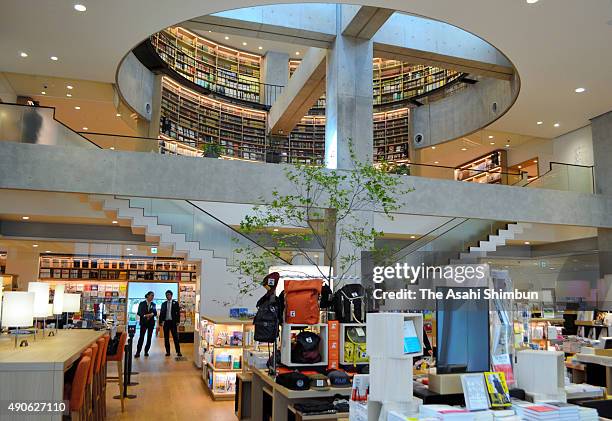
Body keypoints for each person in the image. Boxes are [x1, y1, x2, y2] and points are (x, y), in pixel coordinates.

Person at [159, 290, 182, 357]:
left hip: (173, 322)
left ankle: (178, 352)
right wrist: (160, 322)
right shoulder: (163, 304)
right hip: (166, 322)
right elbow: (161, 313)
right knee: (166, 338)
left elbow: (178, 313)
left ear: (171, 295)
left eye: (169, 294)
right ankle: (168, 352)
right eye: (166, 295)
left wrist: (178, 321)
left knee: (175, 337)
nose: (167, 296)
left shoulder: (175, 303)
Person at [135, 291, 156, 358]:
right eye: (151, 295)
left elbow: (155, 312)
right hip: (143, 323)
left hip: (151, 323)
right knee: (141, 337)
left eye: (153, 296)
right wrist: (145, 315)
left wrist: (151, 314)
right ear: (147, 296)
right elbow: (139, 312)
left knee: (149, 338)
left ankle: (146, 351)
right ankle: (138, 352)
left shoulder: (154, 304)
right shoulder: (142, 303)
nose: (152, 297)